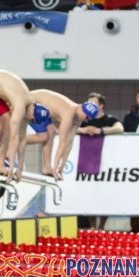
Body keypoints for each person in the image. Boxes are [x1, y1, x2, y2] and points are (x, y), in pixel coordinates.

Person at [77, 92, 123, 231]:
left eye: (93, 103)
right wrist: (84, 130)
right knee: (91, 194)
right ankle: (92, 225)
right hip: (88, 160)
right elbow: (71, 128)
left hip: (106, 162)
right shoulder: (85, 120)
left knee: (104, 194)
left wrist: (100, 130)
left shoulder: (110, 119)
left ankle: (102, 226)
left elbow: (120, 128)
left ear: (101, 105)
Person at [29, 89, 99, 179]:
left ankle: (46, 167)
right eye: (86, 117)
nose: (86, 120)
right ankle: (13, 146)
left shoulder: (78, 119)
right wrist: (55, 169)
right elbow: (62, 142)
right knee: (43, 136)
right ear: (82, 108)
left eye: (88, 119)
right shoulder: (69, 113)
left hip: (41, 105)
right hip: (31, 100)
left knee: (51, 131)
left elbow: (69, 142)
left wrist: (61, 167)